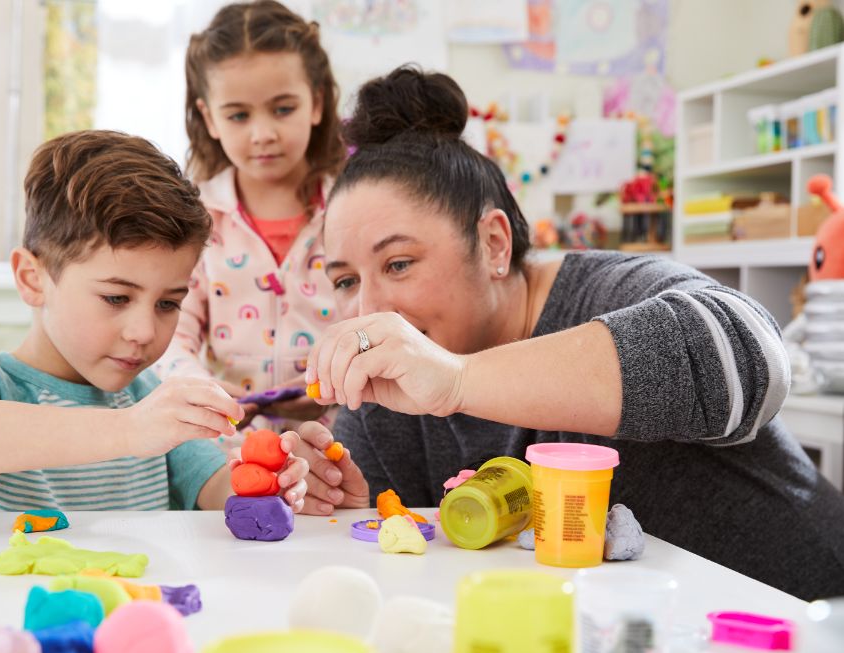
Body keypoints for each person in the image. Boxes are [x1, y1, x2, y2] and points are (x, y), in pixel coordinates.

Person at [294, 66, 844, 601]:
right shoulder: (386, 380)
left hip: (809, 612)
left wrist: (459, 381)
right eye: (344, 280)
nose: (366, 308)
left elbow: (755, 364)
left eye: (398, 264)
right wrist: (353, 505)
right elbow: (412, 566)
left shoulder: (608, 290)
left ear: (493, 245)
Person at [0, 130, 308, 513]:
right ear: (33, 279)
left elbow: (221, 491)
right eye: (116, 297)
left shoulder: (150, 399)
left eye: (168, 304)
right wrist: (128, 431)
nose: (144, 332)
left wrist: (274, 479)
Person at [154, 0, 344, 451]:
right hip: (228, 452)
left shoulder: (350, 210)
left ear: (315, 103)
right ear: (208, 118)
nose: (262, 134)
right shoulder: (195, 218)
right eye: (239, 115)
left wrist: (336, 388)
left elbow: (380, 323)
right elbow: (171, 335)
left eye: (282, 109)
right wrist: (206, 395)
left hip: (339, 442)